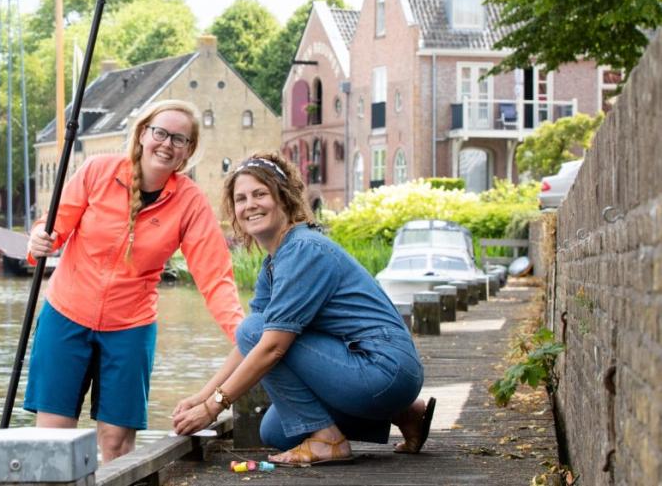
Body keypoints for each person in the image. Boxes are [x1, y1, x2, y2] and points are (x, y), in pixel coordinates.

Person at [172, 152, 435, 466]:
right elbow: (248, 346)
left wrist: (214, 406)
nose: (249, 205)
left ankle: (328, 441)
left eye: (259, 194)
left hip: (381, 368)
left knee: (256, 330)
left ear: (284, 198)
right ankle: (405, 413)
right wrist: (202, 396)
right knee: (277, 430)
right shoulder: (275, 262)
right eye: (240, 199)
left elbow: (268, 346)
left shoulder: (303, 250)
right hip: (381, 377)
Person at [25, 99, 245, 462]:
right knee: (53, 436)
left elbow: (215, 278)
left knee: (115, 443)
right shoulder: (98, 171)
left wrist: (243, 336)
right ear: (143, 134)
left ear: (188, 151)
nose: (167, 144)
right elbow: (52, 229)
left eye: (179, 139)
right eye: (160, 133)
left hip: (130, 327)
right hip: (65, 316)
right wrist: (38, 241)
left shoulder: (190, 202)